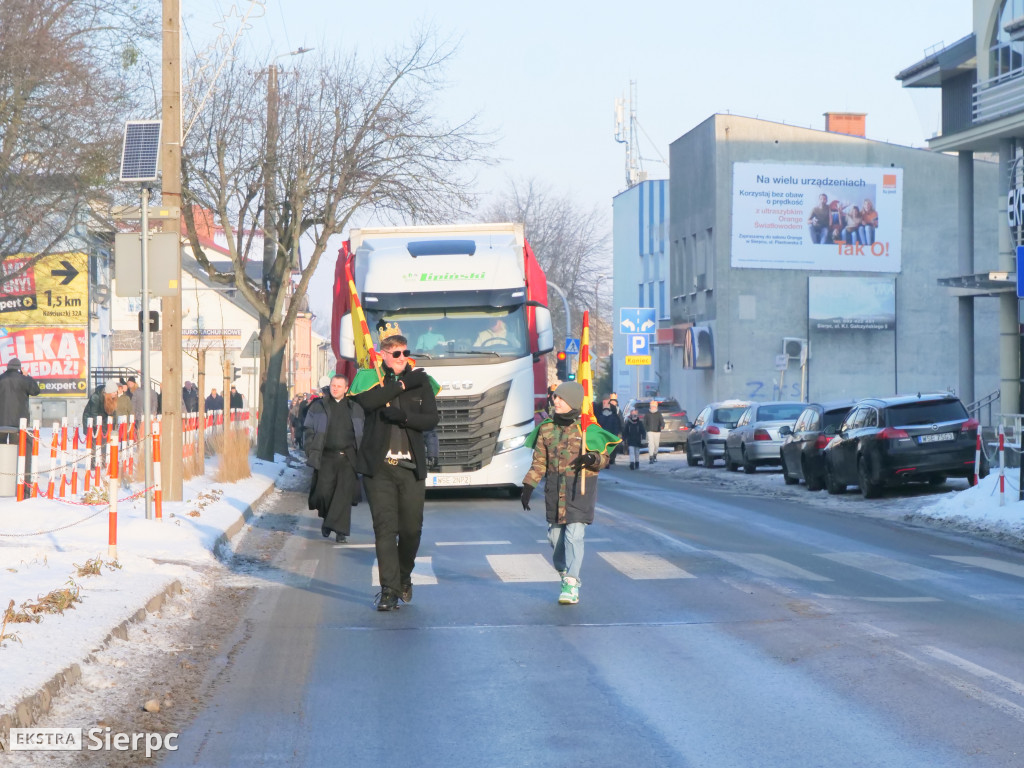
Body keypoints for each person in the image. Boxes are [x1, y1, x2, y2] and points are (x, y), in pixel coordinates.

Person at [351, 322, 439, 612]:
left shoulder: (422, 381)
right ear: (384, 355)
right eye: (396, 353)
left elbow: (430, 420)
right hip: (380, 469)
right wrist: (399, 385)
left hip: (410, 467)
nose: (402, 357)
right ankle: (388, 590)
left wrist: (402, 417)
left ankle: (403, 576)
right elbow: (368, 403)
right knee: (384, 529)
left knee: (412, 529)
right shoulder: (372, 379)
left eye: (405, 352)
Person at [520, 381, 618, 605]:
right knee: (555, 537)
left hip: (580, 487)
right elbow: (539, 462)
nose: (556, 401)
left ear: (573, 401)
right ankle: (564, 573)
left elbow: (604, 459)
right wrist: (528, 486)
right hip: (555, 488)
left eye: (561, 398)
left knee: (574, 535)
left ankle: (572, 583)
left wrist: (593, 459)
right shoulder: (546, 427)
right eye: (555, 397)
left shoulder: (586, 428)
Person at [304, 375, 362, 543]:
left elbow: (362, 433)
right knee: (323, 493)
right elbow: (308, 429)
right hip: (325, 457)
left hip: (348, 458)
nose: (335, 388)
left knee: (343, 496)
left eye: (339, 385)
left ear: (346, 389)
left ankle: (340, 531)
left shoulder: (355, 408)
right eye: (333, 385)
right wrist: (310, 449)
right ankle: (328, 521)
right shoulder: (318, 406)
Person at [0, 358, 40, 479]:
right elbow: (36, 391)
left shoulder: (1, 378)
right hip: (19, 423)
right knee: (18, 451)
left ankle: (2, 474)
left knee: (1, 448)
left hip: (1, 421)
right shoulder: (24, 380)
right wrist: (28, 377)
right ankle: (16, 477)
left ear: (7, 367)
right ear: (19, 368)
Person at [596, 394, 622, 466]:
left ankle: (611, 459)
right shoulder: (598, 407)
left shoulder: (613, 408)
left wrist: (618, 431)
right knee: (603, 446)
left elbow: (617, 418)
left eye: (606, 400)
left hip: (611, 428)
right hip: (602, 428)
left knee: (612, 445)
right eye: (604, 400)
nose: (605, 401)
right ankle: (605, 460)